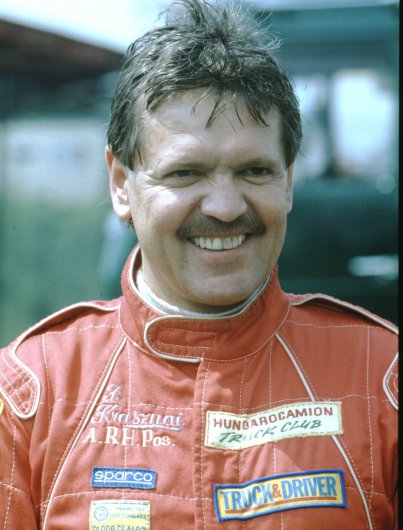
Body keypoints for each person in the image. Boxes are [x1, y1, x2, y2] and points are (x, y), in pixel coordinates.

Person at [0, 0, 397, 528]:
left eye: (255, 170)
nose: (226, 207)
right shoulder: (29, 392)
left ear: (287, 181)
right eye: (185, 173)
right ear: (120, 184)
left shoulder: (384, 377)